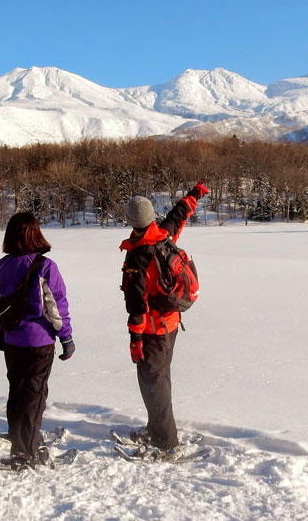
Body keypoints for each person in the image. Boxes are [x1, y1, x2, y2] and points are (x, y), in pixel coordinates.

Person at [119, 182, 208, 455]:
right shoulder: (163, 236)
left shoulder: (138, 259)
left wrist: (135, 340)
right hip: (171, 326)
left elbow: (136, 308)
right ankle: (156, 430)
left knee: (153, 384)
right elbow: (179, 215)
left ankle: (165, 442)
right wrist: (195, 194)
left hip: (152, 331)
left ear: (131, 222)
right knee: (160, 379)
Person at [0, 212, 74, 470]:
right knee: (33, 396)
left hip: (13, 342)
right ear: (36, 234)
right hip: (39, 342)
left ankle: (21, 438)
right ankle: (25, 452)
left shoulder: (1, 267)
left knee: (17, 391)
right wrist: (66, 337)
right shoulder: (46, 267)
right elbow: (55, 307)